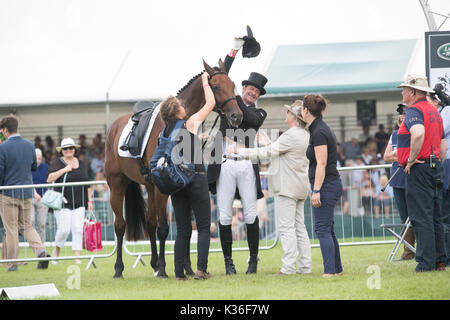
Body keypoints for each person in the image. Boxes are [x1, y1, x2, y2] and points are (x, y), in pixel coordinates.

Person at [228, 100, 312, 275]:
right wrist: (269, 143)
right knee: (299, 228)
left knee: (287, 228)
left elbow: (266, 153)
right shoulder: (304, 134)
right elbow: (278, 152)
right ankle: (305, 266)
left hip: (287, 187)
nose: (286, 114)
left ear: (294, 118)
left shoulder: (290, 135)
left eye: (289, 112)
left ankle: (288, 267)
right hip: (299, 186)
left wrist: (239, 152)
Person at [207, 38, 268, 275]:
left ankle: (253, 259)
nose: (252, 92)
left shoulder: (257, 112)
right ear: (243, 89)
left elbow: (250, 120)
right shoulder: (230, 102)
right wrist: (233, 50)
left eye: (256, 91)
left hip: (245, 164)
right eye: (249, 89)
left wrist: (235, 101)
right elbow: (221, 75)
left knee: (251, 214)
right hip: (224, 164)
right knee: (224, 215)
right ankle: (228, 262)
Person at [159, 72, 215, 280]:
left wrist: (196, 139)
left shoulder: (164, 132)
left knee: (182, 229)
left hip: (177, 182)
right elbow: (211, 102)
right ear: (177, 111)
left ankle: (178, 273)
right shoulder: (190, 123)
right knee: (202, 226)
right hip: (196, 178)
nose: (184, 106)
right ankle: (201, 269)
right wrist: (205, 82)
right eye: (180, 105)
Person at [396, 74, 447, 272]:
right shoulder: (434, 112)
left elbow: (417, 133)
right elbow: (443, 146)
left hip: (420, 167)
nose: (402, 92)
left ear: (413, 92)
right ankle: (439, 261)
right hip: (435, 166)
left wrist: (411, 159)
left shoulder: (414, 111)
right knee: (435, 215)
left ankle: (426, 263)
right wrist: (436, 162)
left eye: (405, 89)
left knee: (421, 216)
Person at [300, 94, 344, 277]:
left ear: (305, 110)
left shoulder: (318, 131)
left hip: (326, 184)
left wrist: (316, 190)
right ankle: (337, 269)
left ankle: (330, 271)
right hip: (330, 183)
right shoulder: (319, 127)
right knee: (328, 229)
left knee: (322, 229)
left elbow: (322, 163)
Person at [0, 116, 50, 271]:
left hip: (8, 192)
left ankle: (12, 264)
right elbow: (34, 167)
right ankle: (41, 252)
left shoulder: (2, 148)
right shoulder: (30, 145)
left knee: (12, 229)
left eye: (2, 131)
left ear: (6, 130)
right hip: (27, 192)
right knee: (28, 226)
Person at [47, 137, 93, 264]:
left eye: (71, 148)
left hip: (80, 201)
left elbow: (88, 184)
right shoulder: (56, 162)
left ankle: (77, 257)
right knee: (64, 229)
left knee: (78, 229)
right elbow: (49, 178)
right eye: (65, 148)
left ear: (75, 149)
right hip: (62, 202)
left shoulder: (82, 163)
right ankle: (56, 252)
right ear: (61, 151)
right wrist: (64, 170)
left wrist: (90, 201)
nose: (68, 150)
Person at [383, 106, 415, 260]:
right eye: (401, 114)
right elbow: (386, 156)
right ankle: (408, 251)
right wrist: (402, 157)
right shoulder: (395, 134)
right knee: (404, 216)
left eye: (405, 114)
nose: (402, 116)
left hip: (412, 178)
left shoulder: (413, 132)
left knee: (416, 215)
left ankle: (421, 250)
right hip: (397, 180)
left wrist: (399, 156)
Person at [427, 91, 450, 266]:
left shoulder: (446, 111)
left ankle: (446, 258)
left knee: (444, 215)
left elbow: (440, 131)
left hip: (447, 164)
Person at [31, 148, 50, 243]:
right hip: (30, 198)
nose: (38, 160)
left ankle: (41, 244)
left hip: (43, 199)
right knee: (31, 222)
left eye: (40, 158)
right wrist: (34, 193)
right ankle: (33, 242)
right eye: (36, 158)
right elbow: (27, 182)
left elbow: (50, 180)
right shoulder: (27, 167)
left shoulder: (46, 167)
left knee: (42, 224)